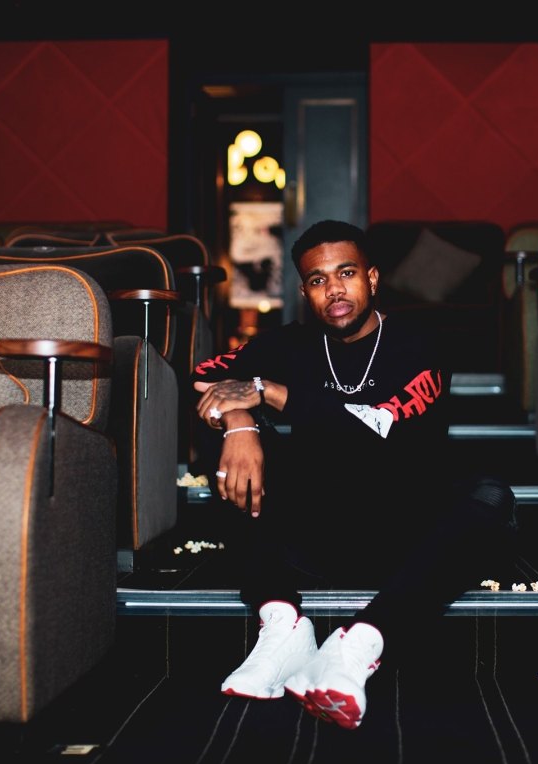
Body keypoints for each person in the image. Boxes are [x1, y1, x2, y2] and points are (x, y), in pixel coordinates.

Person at [193, 219, 517, 730]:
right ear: (304, 291)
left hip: (404, 535)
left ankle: (357, 645)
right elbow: (204, 379)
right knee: (234, 450)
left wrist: (267, 392)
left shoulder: (420, 344)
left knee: (491, 496)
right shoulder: (290, 344)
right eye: (318, 279)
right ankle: (281, 623)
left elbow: (376, 427)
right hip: (313, 536)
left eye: (346, 273)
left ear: (372, 277)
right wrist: (239, 424)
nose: (334, 290)